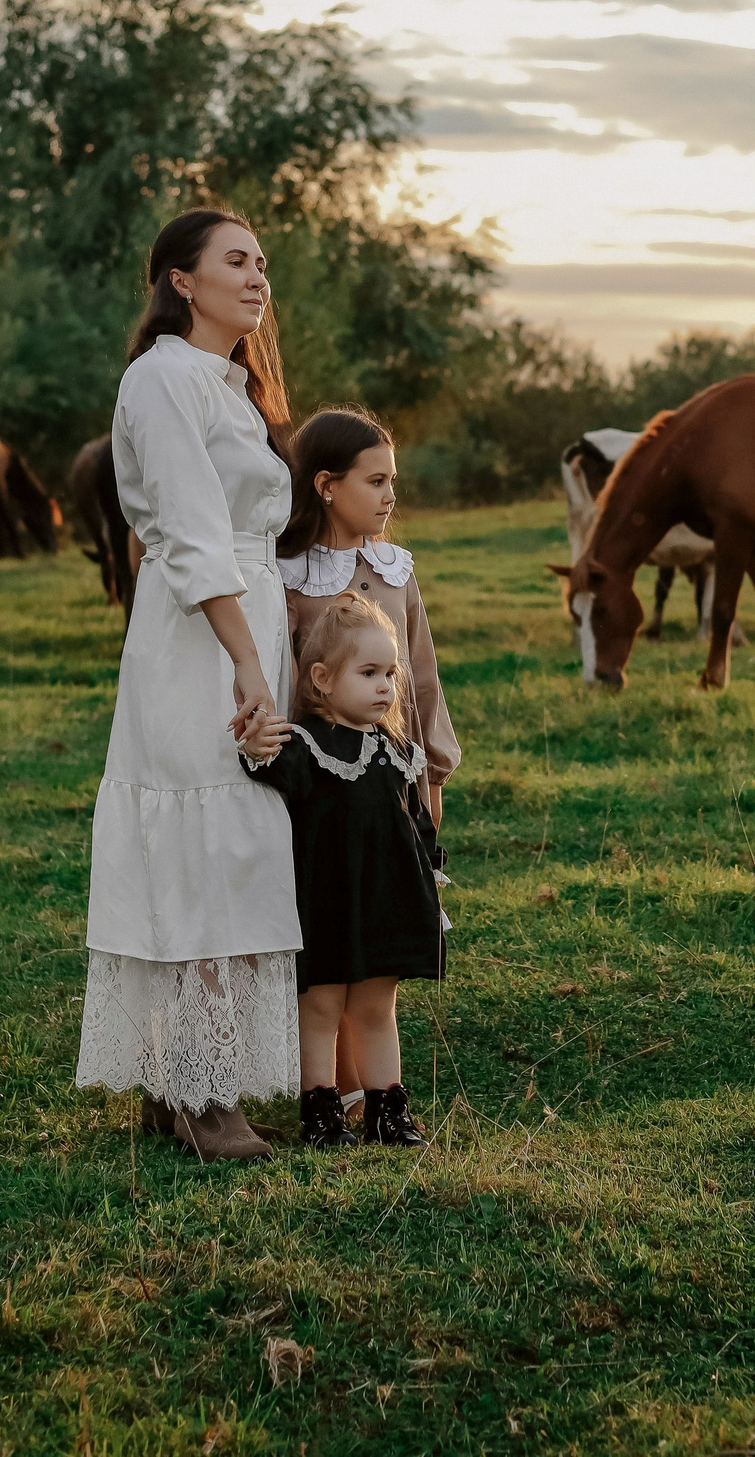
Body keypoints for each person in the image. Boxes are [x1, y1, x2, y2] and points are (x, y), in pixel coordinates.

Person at [73, 209, 299, 1163]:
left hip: (248, 622)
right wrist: (244, 659)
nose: (257, 279)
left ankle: (182, 1080)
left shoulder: (230, 387)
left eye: (262, 264)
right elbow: (194, 533)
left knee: (238, 843)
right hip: (201, 634)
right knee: (206, 849)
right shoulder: (162, 378)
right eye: (236, 261)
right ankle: (202, 1092)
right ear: (181, 280)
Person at [276, 408, 461, 1120]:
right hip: (320, 793)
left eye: (393, 480)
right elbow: (284, 680)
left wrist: (431, 770)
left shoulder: (395, 571)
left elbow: (420, 677)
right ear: (326, 485)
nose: (390, 495)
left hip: (391, 779)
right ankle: (336, 1088)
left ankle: (373, 1092)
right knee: (331, 942)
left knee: (380, 933)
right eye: (375, 481)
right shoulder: (288, 579)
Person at [237, 593, 446, 1148]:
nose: (385, 687)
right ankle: (322, 1113)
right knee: (322, 1006)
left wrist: (431, 874)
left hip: (384, 901)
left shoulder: (396, 749)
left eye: (391, 675)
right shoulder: (305, 746)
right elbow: (264, 768)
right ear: (323, 679)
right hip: (325, 905)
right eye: (368, 673)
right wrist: (255, 747)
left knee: (377, 1007)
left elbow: (416, 823)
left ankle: (387, 1112)